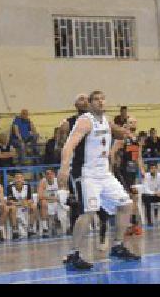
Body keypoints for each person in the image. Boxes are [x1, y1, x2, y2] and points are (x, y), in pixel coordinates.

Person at [58, 90, 141, 271]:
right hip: (88, 174)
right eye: (96, 99)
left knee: (126, 204)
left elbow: (115, 131)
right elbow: (69, 144)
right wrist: (64, 167)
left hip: (104, 174)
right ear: (90, 103)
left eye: (103, 98)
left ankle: (118, 245)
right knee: (89, 212)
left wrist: (126, 132)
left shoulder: (105, 119)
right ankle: (74, 253)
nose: (101, 102)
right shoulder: (85, 121)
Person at [58, 93, 113, 250]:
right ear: (76, 104)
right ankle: (75, 248)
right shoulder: (69, 122)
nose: (84, 100)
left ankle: (103, 231)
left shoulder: (100, 120)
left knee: (102, 205)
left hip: (98, 168)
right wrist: (61, 134)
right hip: (79, 169)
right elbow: (61, 146)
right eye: (80, 99)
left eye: (85, 98)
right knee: (80, 206)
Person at [111, 117, 145, 236]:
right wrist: (112, 168)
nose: (133, 124)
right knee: (126, 198)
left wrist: (142, 170)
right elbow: (112, 152)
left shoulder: (136, 140)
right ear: (126, 124)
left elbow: (139, 156)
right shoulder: (122, 138)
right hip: (122, 172)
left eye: (135, 122)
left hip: (133, 172)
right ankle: (126, 225)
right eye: (131, 122)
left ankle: (134, 224)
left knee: (134, 198)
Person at [6, 172, 37, 239]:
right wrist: (21, 203)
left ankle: (30, 228)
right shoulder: (10, 186)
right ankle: (15, 230)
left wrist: (26, 202)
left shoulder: (27, 185)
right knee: (13, 208)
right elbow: (9, 201)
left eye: (20, 177)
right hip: (16, 205)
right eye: (17, 178)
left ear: (23, 178)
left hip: (24, 205)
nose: (19, 179)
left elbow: (30, 199)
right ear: (14, 179)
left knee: (33, 206)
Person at [38, 169, 67, 237]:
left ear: (54, 175)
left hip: (57, 201)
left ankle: (60, 224)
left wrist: (57, 199)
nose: (49, 175)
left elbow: (64, 193)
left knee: (64, 202)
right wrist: (53, 198)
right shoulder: (43, 182)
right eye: (47, 174)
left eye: (51, 173)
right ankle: (45, 228)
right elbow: (40, 196)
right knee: (43, 203)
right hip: (47, 202)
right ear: (45, 176)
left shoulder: (58, 181)